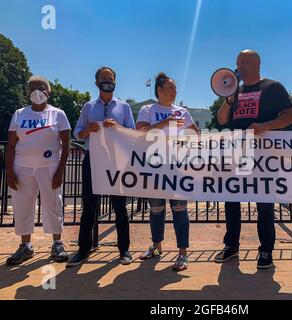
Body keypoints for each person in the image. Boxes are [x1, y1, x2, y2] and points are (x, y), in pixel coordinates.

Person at [215, 50, 292, 269]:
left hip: (265, 156)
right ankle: (231, 246)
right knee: (231, 201)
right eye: (237, 63)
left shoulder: (273, 87)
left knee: (265, 205)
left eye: (243, 62)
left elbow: (290, 116)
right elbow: (222, 120)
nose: (238, 67)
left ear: (257, 63)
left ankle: (266, 250)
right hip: (238, 154)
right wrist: (229, 99)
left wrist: (266, 126)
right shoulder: (235, 92)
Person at [67, 66, 135, 267]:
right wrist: (86, 131)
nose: (108, 81)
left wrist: (118, 128)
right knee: (89, 207)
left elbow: (131, 133)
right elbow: (76, 132)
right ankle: (83, 249)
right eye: (104, 79)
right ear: (97, 83)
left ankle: (124, 250)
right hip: (93, 160)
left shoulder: (124, 108)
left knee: (120, 207)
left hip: (115, 161)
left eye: (111, 78)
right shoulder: (88, 107)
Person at [136, 72, 199, 271]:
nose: (175, 91)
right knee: (156, 210)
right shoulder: (148, 109)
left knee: (180, 209)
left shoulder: (182, 111)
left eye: (175, 88)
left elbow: (195, 133)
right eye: (171, 88)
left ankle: (182, 254)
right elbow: (140, 133)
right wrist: (166, 123)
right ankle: (156, 245)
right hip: (153, 166)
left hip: (177, 166)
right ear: (159, 90)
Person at [6, 75, 71, 265]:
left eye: (41, 87)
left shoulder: (58, 114)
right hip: (22, 166)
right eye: (33, 88)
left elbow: (66, 144)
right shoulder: (19, 114)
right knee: (23, 204)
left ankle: (57, 243)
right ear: (27, 93)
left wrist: (60, 170)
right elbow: (10, 145)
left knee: (53, 203)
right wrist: (10, 172)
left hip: (49, 166)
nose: (37, 91)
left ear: (48, 92)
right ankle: (25, 245)